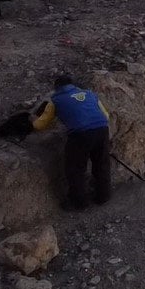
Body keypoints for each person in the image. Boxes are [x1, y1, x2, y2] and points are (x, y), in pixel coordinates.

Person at [32, 76, 112, 210]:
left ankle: (80, 203)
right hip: (102, 129)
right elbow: (106, 116)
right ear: (73, 85)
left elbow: (40, 125)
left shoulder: (55, 101)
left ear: (56, 88)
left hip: (80, 135)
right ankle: (103, 196)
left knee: (75, 169)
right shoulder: (90, 94)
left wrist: (32, 121)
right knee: (101, 164)